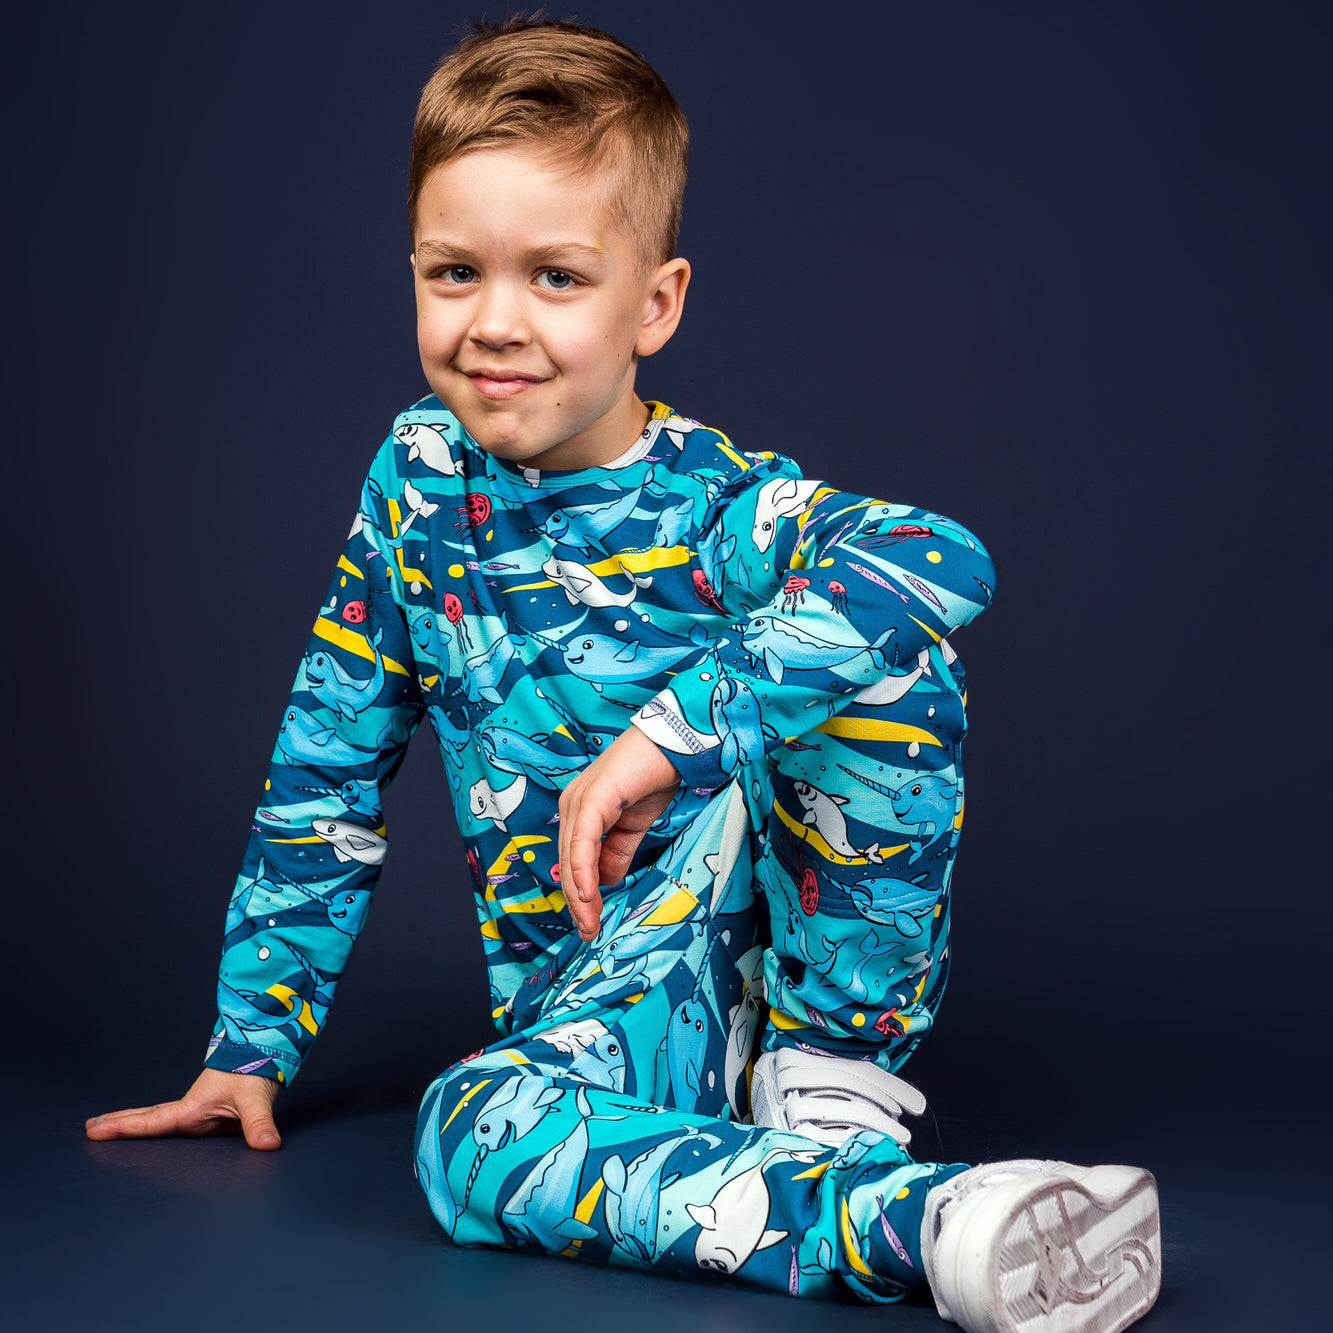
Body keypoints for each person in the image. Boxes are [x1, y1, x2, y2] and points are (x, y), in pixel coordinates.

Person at [86, 17, 1161, 1330]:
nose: (494, 322)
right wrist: (249, 1045)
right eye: (454, 272)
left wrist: (669, 734)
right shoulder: (415, 487)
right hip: (609, 1002)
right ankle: (934, 1227)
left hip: (784, 947)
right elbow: (326, 768)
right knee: (464, 1134)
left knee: (883, 647)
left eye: (555, 277)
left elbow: (938, 556)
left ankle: (828, 1079)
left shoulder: (719, 504)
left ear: (654, 304)